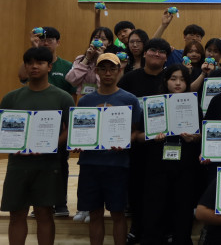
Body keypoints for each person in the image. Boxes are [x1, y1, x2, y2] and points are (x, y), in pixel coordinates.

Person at [1, 47, 75, 245]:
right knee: (17, 214)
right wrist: (11, 143)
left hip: (48, 165)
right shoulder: (11, 98)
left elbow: (71, 129)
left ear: (49, 67)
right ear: (25, 66)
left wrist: (51, 144)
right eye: (30, 63)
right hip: (18, 165)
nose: (34, 66)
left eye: (40, 63)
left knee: (44, 213)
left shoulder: (63, 97)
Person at [73, 53, 143, 244]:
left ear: (119, 70)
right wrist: (78, 142)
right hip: (90, 165)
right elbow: (80, 131)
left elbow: (135, 131)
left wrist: (126, 140)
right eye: (103, 69)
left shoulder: (129, 99)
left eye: (112, 68)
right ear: (96, 71)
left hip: (117, 165)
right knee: (94, 213)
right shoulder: (85, 101)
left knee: (118, 213)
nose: (107, 73)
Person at [117, 37, 171, 244]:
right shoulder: (130, 78)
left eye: (162, 52)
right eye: (153, 50)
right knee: (137, 187)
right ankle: (136, 228)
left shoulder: (170, 78)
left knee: (163, 190)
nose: (157, 54)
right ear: (145, 53)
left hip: (165, 144)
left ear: (166, 57)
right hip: (137, 143)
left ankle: (163, 229)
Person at [141, 64, 202, 245]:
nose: (177, 83)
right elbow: (141, 134)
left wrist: (194, 137)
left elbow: (201, 134)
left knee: (183, 206)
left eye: (182, 79)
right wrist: (152, 136)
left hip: (185, 163)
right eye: (173, 79)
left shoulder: (192, 103)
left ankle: (182, 240)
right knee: (155, 206)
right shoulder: (155, 102)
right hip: (158, 163)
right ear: (166, 81)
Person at [18, 26, 75, 217]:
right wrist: (33, 48)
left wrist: (68, 124)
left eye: (50, 39)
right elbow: (22, 77)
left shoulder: (66, 66)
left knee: (61, 165)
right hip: (35, 124)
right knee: (35, 165)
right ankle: (38, 204)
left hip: (60, 126)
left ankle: (60, 203)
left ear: (58, 43)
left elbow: (73, 95)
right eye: (42, 39)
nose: (45, 42)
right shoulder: (32, 63)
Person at [65, 27, 118, 96]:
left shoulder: (113, 61)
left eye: (103, 39)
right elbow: (71, 80)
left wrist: (101, 59)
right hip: (85, 99)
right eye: (96, 38)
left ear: (109, 43)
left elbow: (107, 85)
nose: (99, 41)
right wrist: (87, 58)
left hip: (105, 97)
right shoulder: (80, 59)